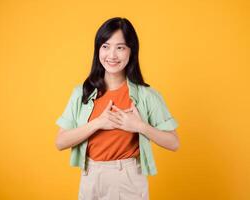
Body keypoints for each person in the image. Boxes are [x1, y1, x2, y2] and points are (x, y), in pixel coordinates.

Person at [55, 17, 180, 200]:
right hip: (90, 176)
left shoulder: (147, 96)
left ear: (131, 51)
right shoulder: (82, 92)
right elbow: (60, 142)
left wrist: (139, 126)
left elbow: (174, 142)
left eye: (120, 47)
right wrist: (98, 123)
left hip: (127, 178)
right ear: (98, 49)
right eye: (105, 46)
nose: (112, 55)